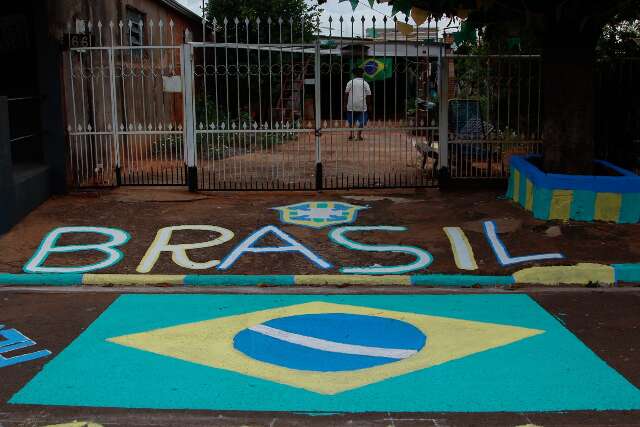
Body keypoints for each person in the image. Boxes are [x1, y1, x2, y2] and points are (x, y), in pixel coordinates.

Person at [344, 67, 371, 140]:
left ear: (354, 74)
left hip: (351, 105)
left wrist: (344, 104)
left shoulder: (350, 82)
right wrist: (369, 105)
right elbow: (368, 95)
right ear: (362, 74)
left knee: (351, 121)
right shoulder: (365, 83)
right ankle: (358, 135)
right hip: (362, 106)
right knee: (362, 121)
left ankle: (351, 134)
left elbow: (346, 94)